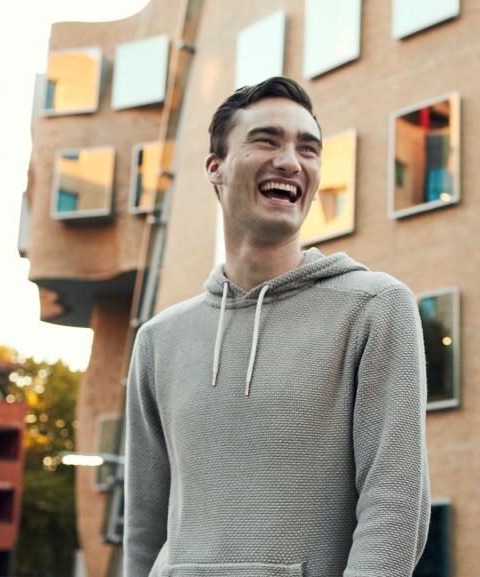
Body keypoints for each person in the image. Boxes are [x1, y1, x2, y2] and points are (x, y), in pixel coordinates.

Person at [122, 77, 431, 577]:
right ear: (215, 167)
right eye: (267, 141)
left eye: (308, 149)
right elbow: (143, 527)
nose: (291, 161)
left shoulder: (374, 307)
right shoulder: (159, 340)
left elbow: (394, 507)